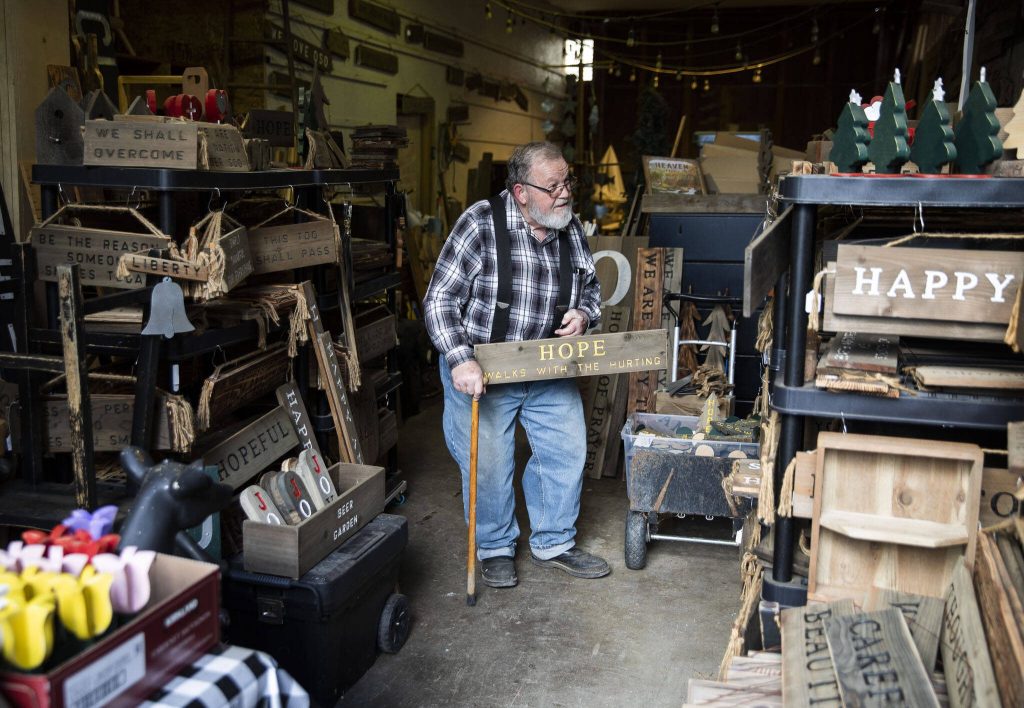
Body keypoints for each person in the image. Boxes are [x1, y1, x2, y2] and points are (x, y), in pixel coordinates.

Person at [424, 141, 609, 589]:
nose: (564, 193)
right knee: (487, 463)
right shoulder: (481, 223)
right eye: (552, 186)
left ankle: (553, 541)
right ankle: (494, 546)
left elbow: (591, 289)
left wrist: (584, 315)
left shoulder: (569, 227)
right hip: (483, 369)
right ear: (521, 191)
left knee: (565, 452)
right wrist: (460, 358)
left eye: (567, 181)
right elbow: (439, 299)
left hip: (545, 365)